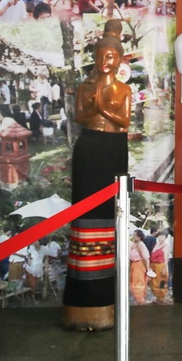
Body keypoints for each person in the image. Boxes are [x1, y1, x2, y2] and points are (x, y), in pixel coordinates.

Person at [63, 19, 131, 331]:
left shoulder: (123, 89)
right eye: (101, 56)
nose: (105, 61)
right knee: (85, 215)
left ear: (119, 59)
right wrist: (96, 107)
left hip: (113, 149)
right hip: (89, 148)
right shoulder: (85, 87)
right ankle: (80, 305)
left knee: (110, 214)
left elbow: (124, 121)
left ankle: (106, 302)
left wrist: (102, 108)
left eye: (111, 57)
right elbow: (80, 116)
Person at [129, 229, 151, 305]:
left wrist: (148, 268)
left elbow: (146, 258)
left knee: (138, 282)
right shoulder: (133, 244)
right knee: (133, 282)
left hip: (139, 265)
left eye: (135, 235)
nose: (133, 236)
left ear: (139, 237)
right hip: (134, 264)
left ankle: (140, 300)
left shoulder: (141, 245)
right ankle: (138, 299)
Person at [148, 229, 170, 303]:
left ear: (165, 238)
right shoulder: (156, 245)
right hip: (153, 265)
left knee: (160, 282)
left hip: (160, 265)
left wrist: (164, 269)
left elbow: (166, 259)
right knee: (152, 282)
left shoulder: (165, 246)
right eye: (160, 237)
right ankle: (157, 298)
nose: (161, 238)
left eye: (163, 237)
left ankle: (161, 298)